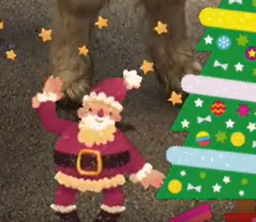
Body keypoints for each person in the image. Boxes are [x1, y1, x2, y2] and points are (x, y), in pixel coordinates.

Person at [32, 71, 165, 221]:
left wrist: (145, 173)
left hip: (107, 171)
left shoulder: (116, 139)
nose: (99, 115)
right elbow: (50, 123)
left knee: (113, 193)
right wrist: (47, 98)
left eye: (106, 113)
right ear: (82, 112)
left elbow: (130, 155)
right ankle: (67, 216)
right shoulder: (70, 130)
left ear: (115, 117)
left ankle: (107, 217)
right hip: (71, 169)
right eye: (92, 110)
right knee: (65, 192)